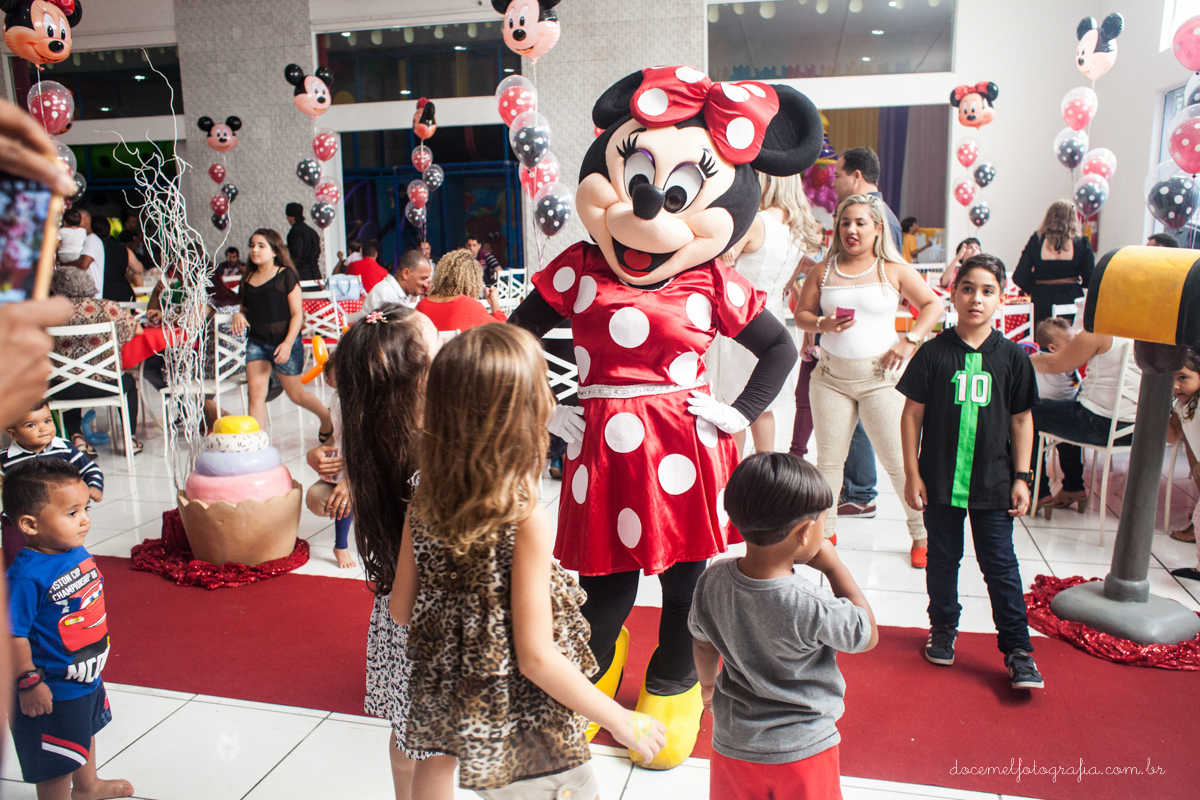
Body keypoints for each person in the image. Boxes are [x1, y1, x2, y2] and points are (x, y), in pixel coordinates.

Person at [393, 324, 666, 796]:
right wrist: (620, 720)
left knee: (433, 761)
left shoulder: (424, 502)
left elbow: (401, 609)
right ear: (523, 416)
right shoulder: (524, 521)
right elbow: (537, 657)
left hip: (455, 689)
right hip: (529, 719)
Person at [690, 453, 877, 800]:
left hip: (734, 743)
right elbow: (865, 634)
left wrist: (706, 687)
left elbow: (702, 644)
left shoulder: (712, 580)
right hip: (806, 750)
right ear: (806, 533)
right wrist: (834, 568)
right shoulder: (813, 605)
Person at [898, 253, 1044, 690]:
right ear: (954, 294)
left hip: (994, 483)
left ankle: (1018, 650)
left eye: (987, 291)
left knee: (1000, 565)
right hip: (940, 479)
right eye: (968, 289)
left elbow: (1021, 420)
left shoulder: (1013, 358)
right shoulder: (932, 353)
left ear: (1001, 299)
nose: (976, 299)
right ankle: (942, 628)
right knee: (943, 559)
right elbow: (911, 417)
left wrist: (1023, 476)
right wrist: (912, 473)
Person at [328, 305, 454, 799]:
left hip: (394, 616)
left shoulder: (371, 434)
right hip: (431, 619)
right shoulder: (434, 451)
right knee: (438, 753)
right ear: (414, 372)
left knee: (408, 738)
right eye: (436, 343)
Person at [793, 194, 940, 566]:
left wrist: (910, 341)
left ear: (877, 228)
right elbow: (802, 314)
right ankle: (824, 534)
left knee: (899, 461)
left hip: (881, 379)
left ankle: (921, 534)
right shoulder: (823, 271)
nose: (851, 230)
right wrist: (821, 324)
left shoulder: (893, 269)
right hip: (830, 378)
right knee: (828, 462)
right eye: (845, 222)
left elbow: (933, 305)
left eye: (860, 222)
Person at [4, 459, 135, 799]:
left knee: (84, 732)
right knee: (54, 760)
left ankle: (87, 787)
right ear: (30, 524)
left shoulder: (72, 550)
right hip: (49, 690)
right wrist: (27, 682)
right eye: (72, 512)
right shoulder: (25, 577)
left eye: (85, 508)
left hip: (83, 675)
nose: (85, 519)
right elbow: (11, 635)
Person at [710, 173, 823, 455]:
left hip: (739, 323)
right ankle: (764, 476)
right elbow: (788, 284)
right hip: (772, 319)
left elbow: (722, 262)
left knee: (731, 407)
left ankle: (731, 480)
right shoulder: (797, 230)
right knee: (762, 407)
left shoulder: (757, 222)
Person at [830, 147, 902, 519]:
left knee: (860, 416)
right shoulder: (878, 213)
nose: (834, 181)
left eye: (838, 174)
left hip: (868, 347)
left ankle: (860, 491)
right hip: (849, 340)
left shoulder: (877, 217)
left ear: (856, 176)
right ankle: (855, 488)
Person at [1028, 325, 1142, 512]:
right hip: (1137, 430)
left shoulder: (1098, 332)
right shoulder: (1148, 333)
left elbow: (1054, 364)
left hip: (1097, 424)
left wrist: (1026, 359)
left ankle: (1038, 493)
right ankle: (1073, 486)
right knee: (1063, 415)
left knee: (1025, 414)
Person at [231, 229, 332, 437]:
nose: (254, 250)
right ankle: (258, 448)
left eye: (261, 246)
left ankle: (326, 417)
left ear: (275, 250)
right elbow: (244, 309)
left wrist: (287, 344)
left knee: (296, 395)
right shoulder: (247, 277)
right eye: (252, 245)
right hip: (257, 343)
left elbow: (297, 315)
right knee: (256, 395)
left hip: (285, 341)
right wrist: (238, 315)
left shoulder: (286, 275)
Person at [48, 268, 143, 456]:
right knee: (130, 385)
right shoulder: (108, 307)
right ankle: (130, 439)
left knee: (69, 376)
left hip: (63, 389)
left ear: (57, 289)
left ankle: (77, 438)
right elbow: (137, 330)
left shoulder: (49, 313)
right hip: (107, 385)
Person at [2, 401, 104, 567]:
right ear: (13, 434)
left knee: (62, 560)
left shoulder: (64, 448)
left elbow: (90, 469)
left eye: (47, 421)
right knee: (15, 561)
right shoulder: (5, 458)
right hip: (16, 523)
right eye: (31, 425)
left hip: (56, 521)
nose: (43, 429)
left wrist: (94, 486)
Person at [303, 358, 355, 570]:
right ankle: (341, 546)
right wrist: (314, 455)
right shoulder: (339, 400)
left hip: (365, 464)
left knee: (348, 494)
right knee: (342, 498)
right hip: (346, 458)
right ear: (330, 382)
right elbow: (339, 434)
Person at [1012, 200, 1095, 324]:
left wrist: (1036, 286)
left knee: (1042, 338)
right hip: (1071, 300)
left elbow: (1019, 276)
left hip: (1042, 300)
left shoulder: (1036, 240)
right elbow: (1090, 278)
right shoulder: (1082, 244)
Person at [416, 249, 506, 332]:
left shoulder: (421, 305)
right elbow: (503, 331)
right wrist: (494, 302)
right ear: (472, 279)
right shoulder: (469, 305)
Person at [1165, 350, 1200, 545]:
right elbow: (1172, 436)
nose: (1176, 385)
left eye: (1183, 378)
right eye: (1172, 379)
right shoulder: (1180, 404)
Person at [363, 249, 432, 314]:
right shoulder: (385, 294)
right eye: (423, 278)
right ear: (405, 273)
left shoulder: (407, 293)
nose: (426, 284)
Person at [57, 209, 104, 300]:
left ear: (87, 220)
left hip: (90, 297)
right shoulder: (78, 239)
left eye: (78, 218)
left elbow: (83, 264)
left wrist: (63, 264)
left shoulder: (92, 240)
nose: (75, 222)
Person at [91, 218, 139, 303]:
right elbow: (139, 269)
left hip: (100, 295)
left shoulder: (88, 249)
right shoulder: (122, 248)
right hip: (123, 294)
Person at [1033, 318, 1080, 404]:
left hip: (1053, 397)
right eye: (1069, 343)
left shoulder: (1037, 357)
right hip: (1056, 402)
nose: (1075, 346)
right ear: (1052, 348)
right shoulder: (1060, 360)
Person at [285, 202, 322, 282]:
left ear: (290, 217)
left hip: (301, 275)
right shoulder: (312, 232)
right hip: (316, 274)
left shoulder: (294, 232)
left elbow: (295, 255)